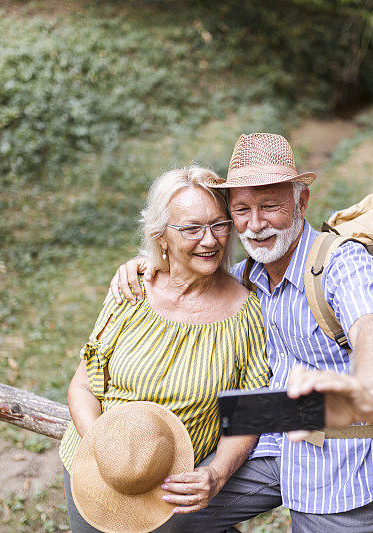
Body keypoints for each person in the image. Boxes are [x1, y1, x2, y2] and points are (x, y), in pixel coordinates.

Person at [111, 133, 373, 532]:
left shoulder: (342, 263)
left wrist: (366, 387)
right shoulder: (245, 278)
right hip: (271, 435)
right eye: (242, 210)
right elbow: (183, 267)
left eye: (270, 206)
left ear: (301, 202)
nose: (255, 225)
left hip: (345, 453)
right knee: (169, 517)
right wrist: (143, 264)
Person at [59, 166, 271, 532]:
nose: (209, 241)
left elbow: (247, 414)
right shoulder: (132, 291)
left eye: (219, 225)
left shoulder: (248, 313)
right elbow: (83, 385)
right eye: (191, 229)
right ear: (161, 237)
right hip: (95, 469)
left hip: (174, 494)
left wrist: (217, 474)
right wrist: (104, 452)